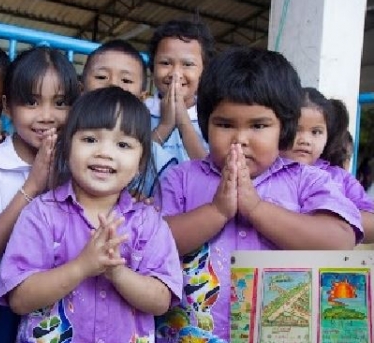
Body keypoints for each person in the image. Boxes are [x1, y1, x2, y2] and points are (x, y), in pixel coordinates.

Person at [154, 48, 363, 342]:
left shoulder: (306, 180)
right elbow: (156, 241)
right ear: (205, 123)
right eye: (225, 125)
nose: (240, 139)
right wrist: (216, 212)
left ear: (284, 129)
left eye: (259, 125)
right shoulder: (182, 178)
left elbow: (340, 239)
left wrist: (256, 209)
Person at [0, 86, 183, 342]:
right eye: (90, 139)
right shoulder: (42, 213)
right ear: (67, 147)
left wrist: (117, 273)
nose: (104, 153)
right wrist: (82, 267)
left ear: (140, 164)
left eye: (123, 144)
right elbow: (18, 298)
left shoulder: (148, 222)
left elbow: (161, 300)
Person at [0, 46, 80, 343]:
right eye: (32, 102)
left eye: (60, 103)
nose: (47, 116)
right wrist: (33, 185)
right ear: (8, 107)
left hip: (60, 298)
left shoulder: (79, 164)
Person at [81, 39, 175, 194]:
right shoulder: (64, 140)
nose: (113, 85)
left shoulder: (159, 161)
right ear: (82, 90)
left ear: (142, 98)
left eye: (126, 80)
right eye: (101, 77)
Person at [283, 88, 374, 244]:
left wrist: (331, 223)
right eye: (296, 129)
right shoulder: (266, 172)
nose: (305, 140)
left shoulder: (339, 178)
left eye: (316, 132)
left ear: (327, 135)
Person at [146, 19, 215, 164]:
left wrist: (183, 121)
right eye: (165, 63)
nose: (176, 73)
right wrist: (165, 126)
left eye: (188, 64)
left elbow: (210, 172)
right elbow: (131, 167)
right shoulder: (140, 112)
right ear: (152, 68)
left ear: (205, 71)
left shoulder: (212, 117)